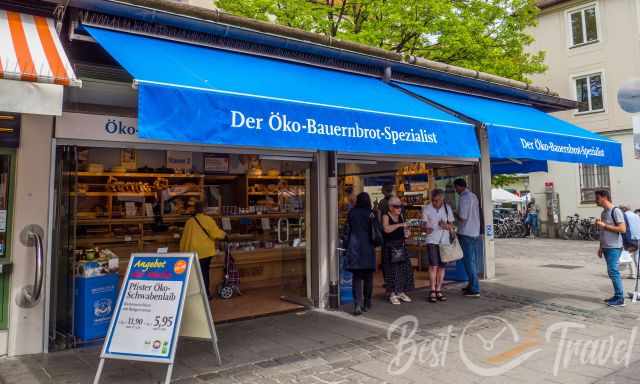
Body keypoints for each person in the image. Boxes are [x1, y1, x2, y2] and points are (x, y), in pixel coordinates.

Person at [180, 202, 226, 299]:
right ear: (204, 209)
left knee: (194, 274)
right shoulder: (208, 220)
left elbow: (184, 238)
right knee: (204, 272)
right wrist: (224, 235)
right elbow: (215, 233)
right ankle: (206, 294)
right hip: (205, 251)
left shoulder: (190, 222)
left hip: (193, 251)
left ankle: (195, 294)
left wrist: (182, 251)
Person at [344, 192, 377, 316]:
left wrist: (345, 247)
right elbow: (376, 231)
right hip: (368, 247)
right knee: (368, 277)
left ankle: (357, 303)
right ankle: (367, 302)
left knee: (356, 278)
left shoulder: (352, 213)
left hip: (354, 248)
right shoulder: (371, 213)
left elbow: (347, 231)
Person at [594, 190, 627, 307]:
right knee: (611, 271)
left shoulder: (616, 211)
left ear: (604, 197)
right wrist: (600, 247)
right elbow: (603, 232)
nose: (595, 200)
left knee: (613, 271)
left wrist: (605, 225)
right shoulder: (603, 213)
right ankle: (617, 295)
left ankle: (620, 298)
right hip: (606, 247)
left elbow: (623, 229)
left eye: (597, 198)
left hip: (614, 247)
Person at [422, 189, 455, 303]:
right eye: (433, 200)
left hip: (444, 241)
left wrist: (444, 225)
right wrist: (426, 229)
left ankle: (439, 289)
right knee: (433, 266)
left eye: (437, 200)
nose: (435, 202)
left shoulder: (447, 208)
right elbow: (423, 226)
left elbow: (451, 226)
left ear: (442, 199)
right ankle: (432, 290)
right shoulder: (427, 208)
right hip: (431, 240)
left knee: (441, 266)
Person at [382, 196, 414, 305]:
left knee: (403, 270)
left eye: (400, 206)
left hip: (401, 246)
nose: (399, 208)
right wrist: (400, 225)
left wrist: (407, 233)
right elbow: (386, 229)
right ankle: (392, 293)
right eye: (396, 206)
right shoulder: (386, 216)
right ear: (390, 207)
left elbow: (406, 231)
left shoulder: (401, 216)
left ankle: (400, 291)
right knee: (391, 271)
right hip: (390, 247)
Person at [453, 178, 481, 297]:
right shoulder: (473, 196)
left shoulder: (464, 198)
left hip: (466, 233)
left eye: (455, 188)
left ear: (459, 187)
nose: (455, 190)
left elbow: (463, 217)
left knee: (469, 262)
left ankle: (474, 288)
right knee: (472, 261)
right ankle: (471, 285)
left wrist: (454, 213)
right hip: (474, 232)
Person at [620, 205, 640, 279]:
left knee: (629, 255)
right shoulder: (636, 215)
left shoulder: (624, 216)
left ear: (623, 209)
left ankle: (633, 274)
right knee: (637, 256)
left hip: (630, 238)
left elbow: (624, 228)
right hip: (638, 237)